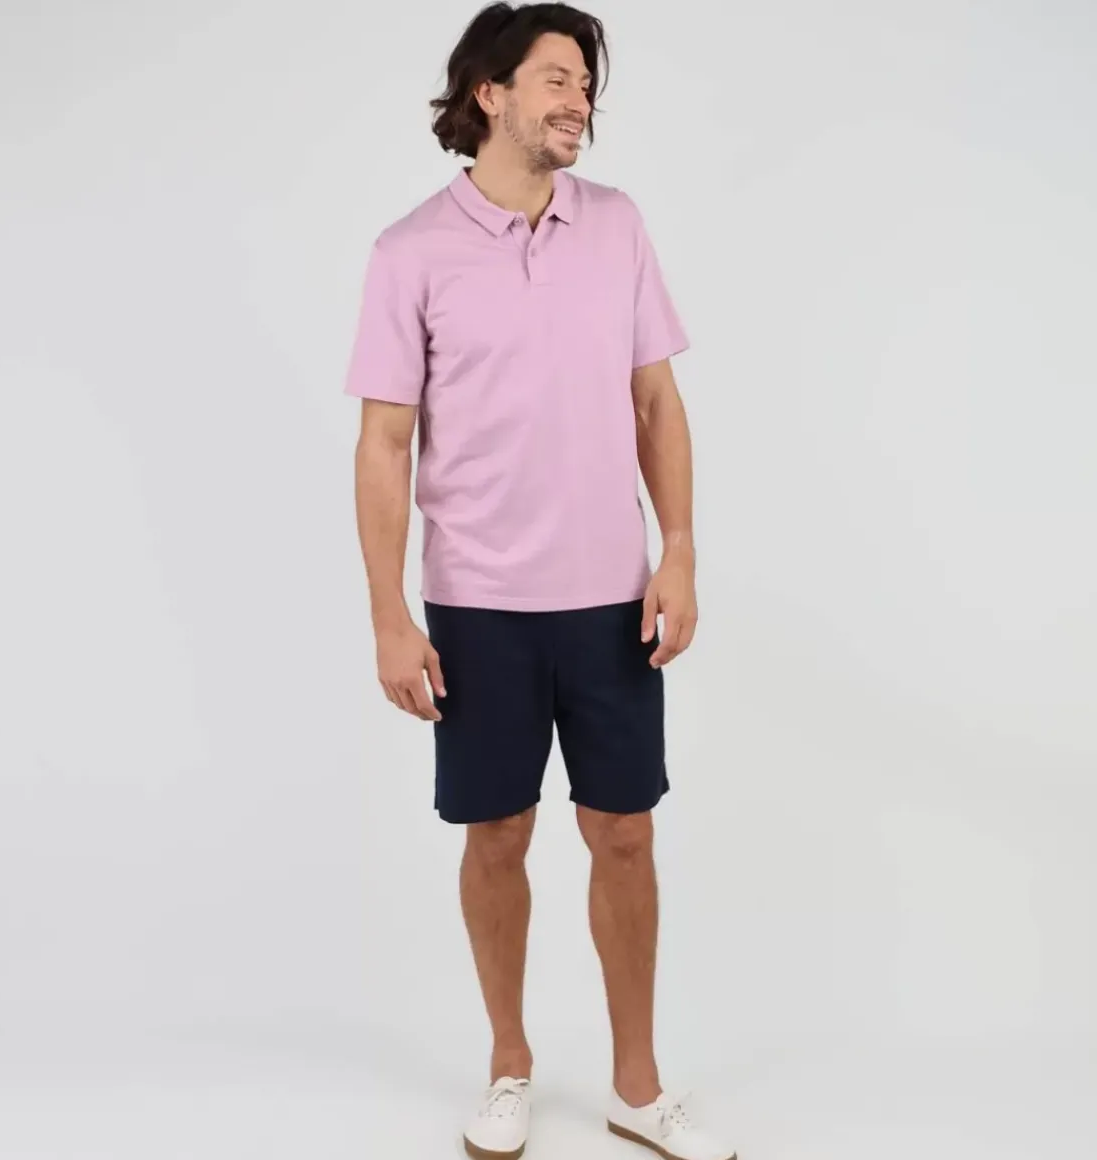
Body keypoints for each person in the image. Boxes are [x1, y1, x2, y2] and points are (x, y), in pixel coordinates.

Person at [343, 4, 734, 1158]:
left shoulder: (615, 225)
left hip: (612, 600)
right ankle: (507, 1063)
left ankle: (635, 1085)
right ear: (490, 93)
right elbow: (383, 444)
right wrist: (389, 614)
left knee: (624, 834)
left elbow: (655, 400)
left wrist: (678, 549)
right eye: (556, 78)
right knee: (496, 833)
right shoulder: (408, 252)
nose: (578, 100)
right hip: (475, 606)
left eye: (585, 82)